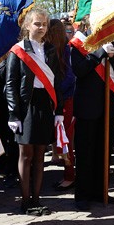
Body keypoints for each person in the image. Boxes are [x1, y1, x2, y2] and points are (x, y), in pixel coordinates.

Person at [6, 9, 63, 215]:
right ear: (27, 26)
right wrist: (13, 113)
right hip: (26, 105)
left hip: (45, 104)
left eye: (44, 24)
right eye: (37, 24)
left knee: (40, 155)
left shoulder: (50, 50)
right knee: (26, 155)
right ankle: (25, 201)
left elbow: (56, 81)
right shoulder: (18, 50)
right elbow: (10, 84)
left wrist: (59, 109)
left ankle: (37, 200)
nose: (41, 28)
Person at [69, 30, 114, 210]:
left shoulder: (111, 40)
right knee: (85, 153)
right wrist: (100, 53)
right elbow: (79, 70)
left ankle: (100, 192)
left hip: (107, 106)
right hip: (87, 107)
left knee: (103, 152)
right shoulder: (78, 45)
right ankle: (82, 196)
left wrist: (113, 55)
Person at [46, 18, 76, 191]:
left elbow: (69, 79)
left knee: (65, 141)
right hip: (54, 101)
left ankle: (69, 175)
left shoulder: (67, 50)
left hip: (65, 101)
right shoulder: (48, 50)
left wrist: (53, 92)